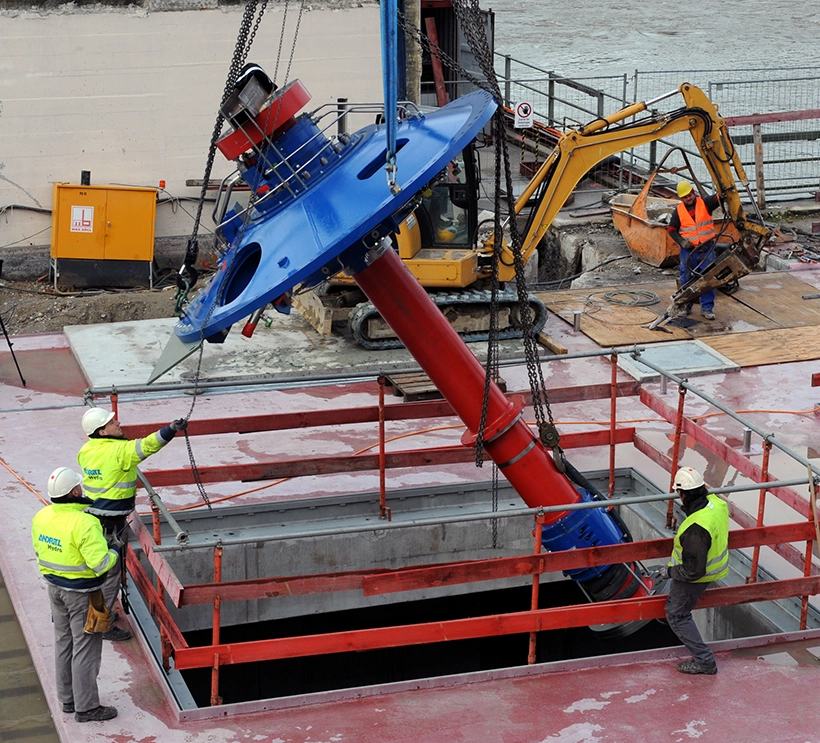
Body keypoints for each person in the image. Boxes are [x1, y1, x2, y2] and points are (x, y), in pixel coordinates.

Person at [77, 407, 187, 641]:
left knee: (101, 573)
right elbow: (147, 445)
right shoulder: (120, 451)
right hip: (110, 524)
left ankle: (98, 614)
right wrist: (171, 430)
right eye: (112, 422)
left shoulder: (86, 450)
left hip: (96, 518)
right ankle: (101, 624)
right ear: (103, 432)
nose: (118, 423)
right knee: (109, 575)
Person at [32, 467, 120, 722]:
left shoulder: (42, 517)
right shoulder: (85, 522)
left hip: (55, 590)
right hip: (84, 594)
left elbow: (40, 552)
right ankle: (87, 707)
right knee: (86, 648)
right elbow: (101, 563)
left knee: (64, 642)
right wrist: (114, 548)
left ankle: (68, 700)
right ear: (74, 491)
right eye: (79, 487)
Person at [658, 466, 729, 675]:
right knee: (677, 610)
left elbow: (692, 571)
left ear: (682, 494)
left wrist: (669, 572)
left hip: (696, 576)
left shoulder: (695, 529)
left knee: (676, 614)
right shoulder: (716, 504)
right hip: (714, 569)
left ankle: (705, 661)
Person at [668, 181, 720, 321]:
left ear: (693, 192)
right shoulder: (678, 211)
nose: (688, 198)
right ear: (681, 198)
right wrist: (682, 242)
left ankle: (707, 308)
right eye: (684, 197)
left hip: (707, 247)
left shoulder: (705, 203)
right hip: (689, 250)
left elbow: (720, 197)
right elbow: (672, 230)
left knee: (708, 277)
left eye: (689, 195)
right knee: (687, 278)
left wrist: (724, 185)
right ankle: (686, 306)